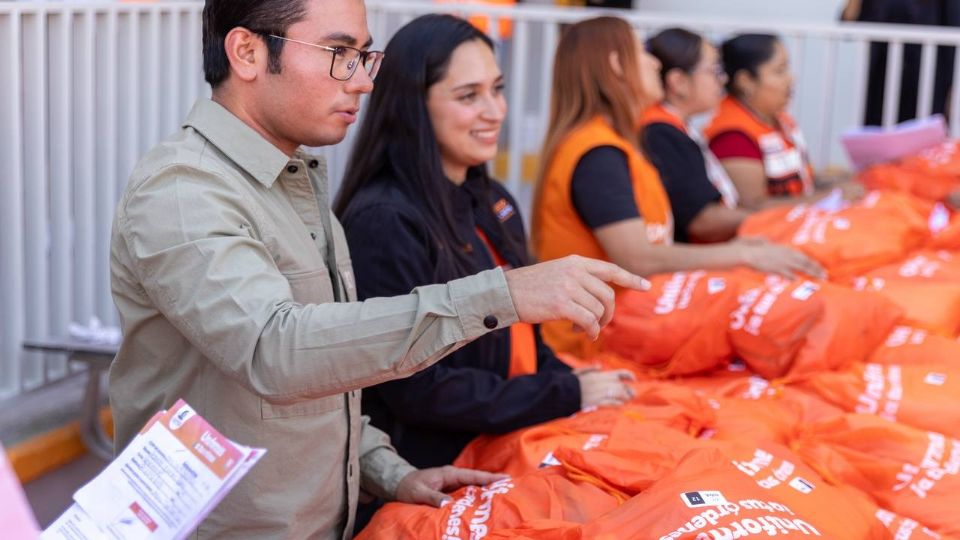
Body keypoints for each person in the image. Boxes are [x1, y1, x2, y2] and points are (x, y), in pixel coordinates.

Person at [107, 0, 647, 538]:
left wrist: (391, 473)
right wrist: (501, 295)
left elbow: (327, 379)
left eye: (365, 57)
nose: (363, 81)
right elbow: (275, 351)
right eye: (339, 54)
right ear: (247, 52)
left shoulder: (293, 181)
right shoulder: (184, 188)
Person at [336, 13, 635, 470]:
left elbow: (526, 340)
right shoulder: (384, 219)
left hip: (517, 432)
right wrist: (563, 392)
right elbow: (416, 389)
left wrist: (574, 381)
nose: (495, 111)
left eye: (497, 89)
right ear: (413, 105)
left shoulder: (494, 199)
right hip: (441, 470)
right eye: (468, 96)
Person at [532, 16, 824, 358]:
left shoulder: (614, 143)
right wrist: (742, 254)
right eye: (642, 53)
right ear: (617, 66)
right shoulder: (598, 154)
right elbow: (638, 257)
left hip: (626, 330)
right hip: (590, 351)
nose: (655, 63)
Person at [705, 33, 864, 211]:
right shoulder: (733, 137)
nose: (790, 79)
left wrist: (837, 183)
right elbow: (752, 208)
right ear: (745, 81)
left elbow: (798, 182)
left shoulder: (778, 120)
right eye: (779, 71)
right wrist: (829, 196)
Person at [642, 27, 747, 243]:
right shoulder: (660, 133)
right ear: (678, 81)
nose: (723, 79)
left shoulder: (674, 125)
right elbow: (702, 220)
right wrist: (769, 220)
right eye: (714, 70)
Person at [842, 0, 960, 126]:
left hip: (927, 80)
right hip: (880, 80)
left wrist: (952, 89)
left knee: (922, 132)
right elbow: (848, 23)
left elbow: (953, 32)